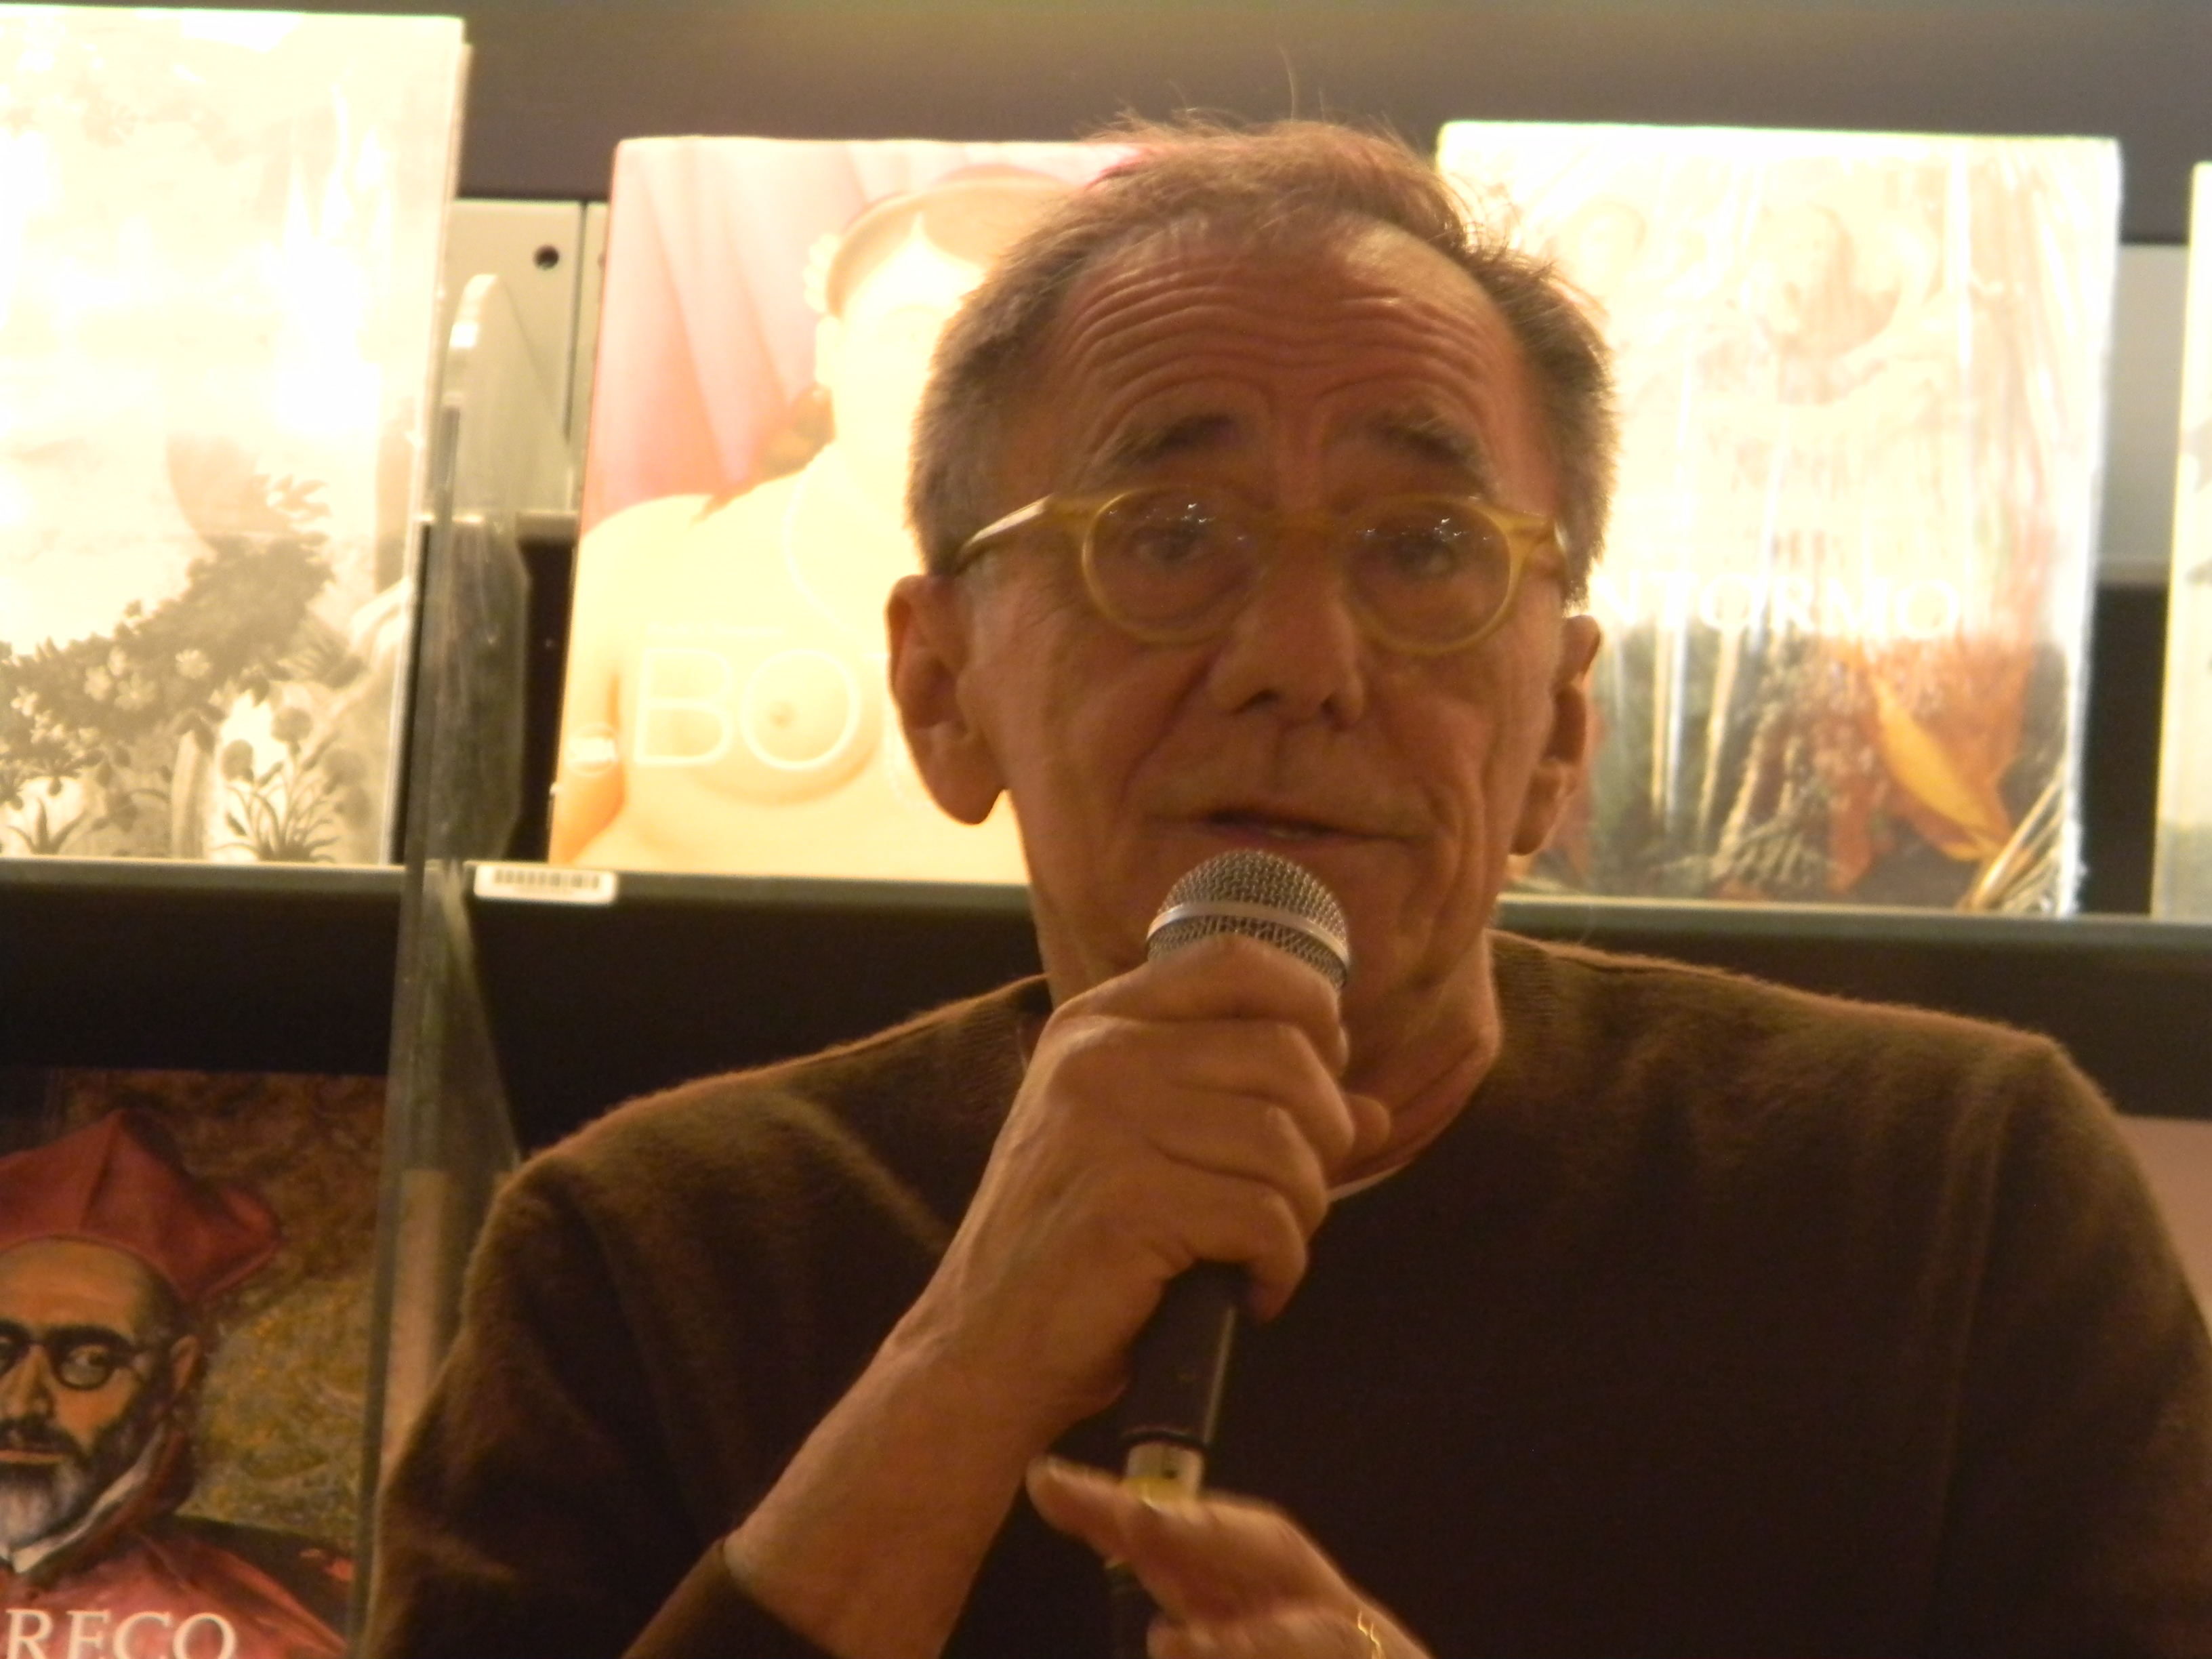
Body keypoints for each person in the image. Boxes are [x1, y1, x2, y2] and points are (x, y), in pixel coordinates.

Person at [368, 120, 2212, 1658]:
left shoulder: (1953, 1197)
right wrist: (963, 1357)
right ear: (940, 690)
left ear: (1560, 728)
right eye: (1170, 537)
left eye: (1425, 549)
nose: (1304, 661)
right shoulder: (649, 1253)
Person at [548, 169, 1071, 882]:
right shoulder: (644, 561)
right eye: (913, 333)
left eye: (999, 344)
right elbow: (538, 867)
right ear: (831, 352)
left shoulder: (1160, 593)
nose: (949, 377)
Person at [0, 1111, 350, 1659]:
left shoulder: (290, 1614)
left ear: (176, 1373)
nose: (22, 1404)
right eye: (1, 1352)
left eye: (89, 1360)